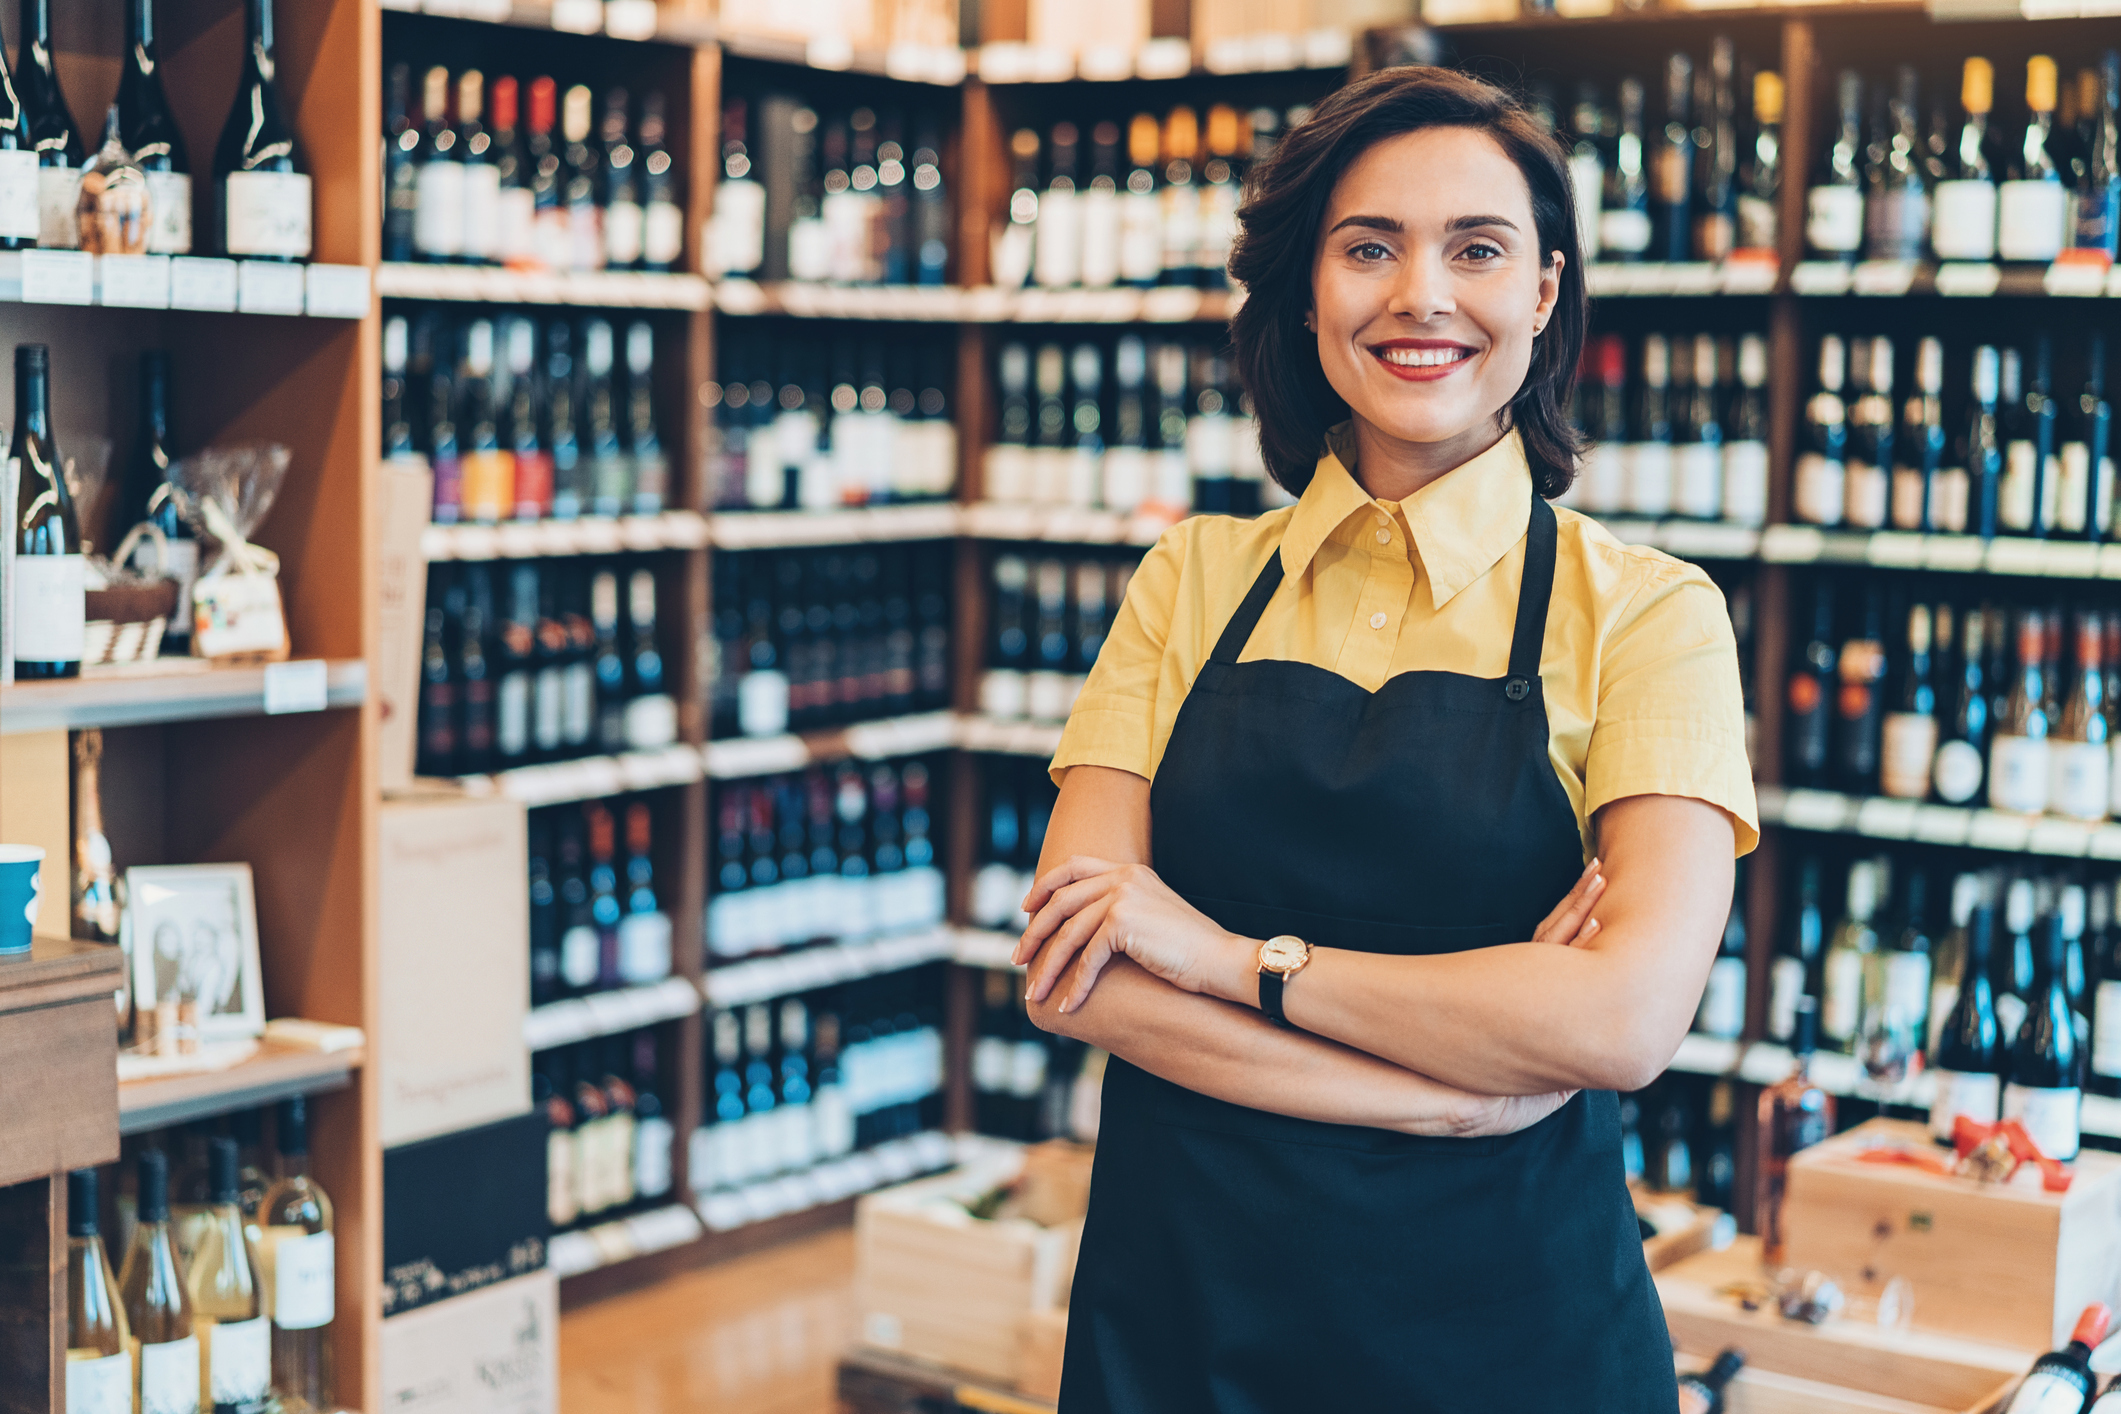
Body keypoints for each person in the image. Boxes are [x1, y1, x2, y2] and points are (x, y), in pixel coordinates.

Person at [1013, 66, 1758, 1411]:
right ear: (1307, 295)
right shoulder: (1188, 579)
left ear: (1540, 294)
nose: (1421, 294)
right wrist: (1445, 1094)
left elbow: (1622, 1016)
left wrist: (1229, 958)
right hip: (1186, 1320)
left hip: (1510, 1339)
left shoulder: (1646, 614)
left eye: (1475, 249)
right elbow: (1078, 974)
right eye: (1369, 248)